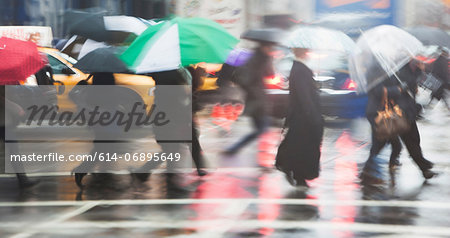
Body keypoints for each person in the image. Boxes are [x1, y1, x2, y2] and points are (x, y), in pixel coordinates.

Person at [361, 59, 438, 182]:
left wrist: (418, 71)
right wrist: (399, 89)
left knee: (411, 141)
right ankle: (367, 170)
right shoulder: (376, 68)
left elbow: (408, 85)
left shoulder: (395, 65)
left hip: (405, 111)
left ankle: (424, 168)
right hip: (391, 113)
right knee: (382, 144)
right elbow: (378, 91)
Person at [274, 48, 324, 187]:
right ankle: (296, 172)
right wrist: (313, 115)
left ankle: (296, 172)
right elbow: (304, 96)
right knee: (303, 146)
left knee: (298, 145)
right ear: (303, 52)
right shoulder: (300, 69)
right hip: (304, 117)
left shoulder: (299, 68)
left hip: (300, 116)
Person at [222, 42, 274, 155]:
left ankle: (235, 149)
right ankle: (234, 149)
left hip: (256, 99)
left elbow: (268, 74)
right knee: (262, 129)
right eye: (269, 47)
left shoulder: (258, 59)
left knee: (261, 129)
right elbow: (266, 75)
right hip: (256, 100)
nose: (271, 49)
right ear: (264, 46)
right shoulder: (257, 60)